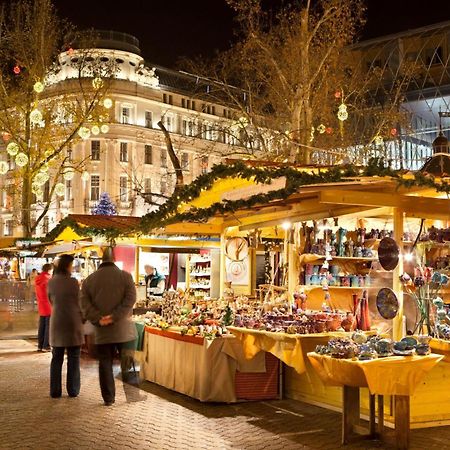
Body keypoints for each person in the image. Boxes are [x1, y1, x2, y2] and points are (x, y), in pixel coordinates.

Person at [80, 247, 136, 406]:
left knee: (105, 363)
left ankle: (108, 398)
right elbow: (130, 300)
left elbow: (84, 304)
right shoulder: (126, 277)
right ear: (113, 259)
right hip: (123, 329)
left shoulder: (89, 280)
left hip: (102, 330)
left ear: (101, 260)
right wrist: (115, 316)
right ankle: (132, 395)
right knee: (128, 361)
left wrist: (99, 318)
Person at [47, 254, 83, 398]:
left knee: (57, 358)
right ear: (67, 266)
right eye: (72, 264)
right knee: (74, 357)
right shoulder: (74, 282)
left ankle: (55, 391)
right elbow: (80, 302)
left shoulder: (51, 282)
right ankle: (73, 390)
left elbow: (51, 300)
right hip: (73, 323)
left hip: (57, 323)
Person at [35, 263, 53, 352]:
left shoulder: (38, 278)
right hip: (49, 305)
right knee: (48, 326)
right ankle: (46, 346)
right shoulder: (49, 279)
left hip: (41, 305)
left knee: (42, 326)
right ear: (49, 270)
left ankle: (40, 345)